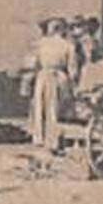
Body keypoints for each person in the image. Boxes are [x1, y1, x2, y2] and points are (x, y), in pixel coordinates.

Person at [28, 17, 78, 150]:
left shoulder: (41, 44)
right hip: (59, 76)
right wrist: (73, 83)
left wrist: (34, 74)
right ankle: (53, 140)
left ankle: (40, 138)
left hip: (43, 75)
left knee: (40, 106)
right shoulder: (68, 45)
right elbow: (72, 68)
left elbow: (33, 63)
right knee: (54, 108)